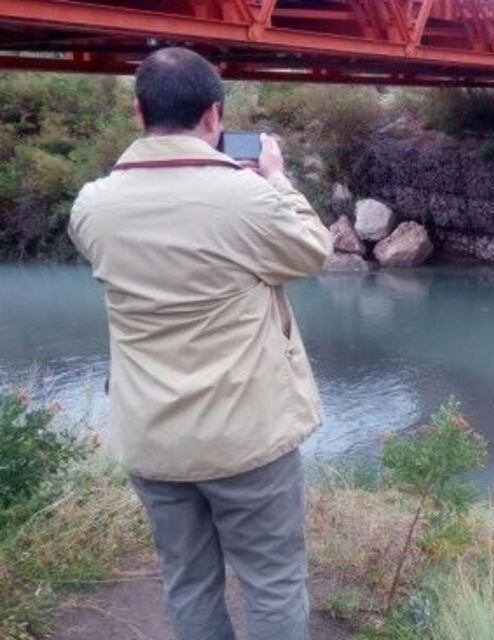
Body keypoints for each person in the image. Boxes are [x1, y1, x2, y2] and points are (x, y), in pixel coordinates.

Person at [68, 47, 333, 640]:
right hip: (247, 434)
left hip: (153, 435)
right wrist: (275, 178)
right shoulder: (246, 199)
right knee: (272, 583)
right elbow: (312, 250)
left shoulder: (91, 206)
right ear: (214, 117)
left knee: (186, 580)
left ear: (139, 112)